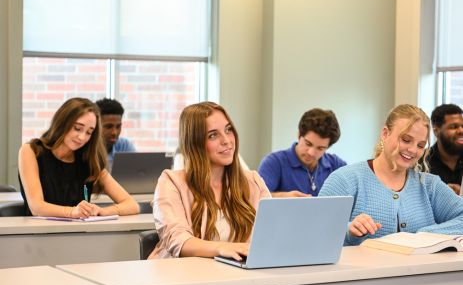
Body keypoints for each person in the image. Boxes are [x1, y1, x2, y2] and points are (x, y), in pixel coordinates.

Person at [319, 104, 463, 246]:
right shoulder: (344, 180)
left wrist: (423, 236)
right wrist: (348, 230)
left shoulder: (429, 185)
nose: (413, 150)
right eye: (406, 140)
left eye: (420, 145)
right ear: (385, 133)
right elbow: (317, 230)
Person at [149, 102, 270, 260]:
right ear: (195, 143)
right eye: (213, 135)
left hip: (237, 277)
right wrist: (224, 249)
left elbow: (270, 234)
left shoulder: (253, 181)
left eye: (228, 130)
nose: (226, 140)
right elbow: (178, 240)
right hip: (182, 277)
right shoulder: (171, 182)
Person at [18, 97, 140, 217]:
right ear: (62, 122)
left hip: (80, 233)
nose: (82, 137)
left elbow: (132, 205)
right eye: (77, 128)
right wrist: (72, 212)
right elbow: (37, 207)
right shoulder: (32, 151)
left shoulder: (88, 159)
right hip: (37, 233)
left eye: (89, 132)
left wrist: (102, 211)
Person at [258, 108, 346, 197]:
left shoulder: (336, 165)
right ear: (299, 134)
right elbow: (257, 198)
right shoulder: (273, 162)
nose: (311, 153)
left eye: (320, 148)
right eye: (308, 144)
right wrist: (283, 197)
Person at [426, 104, 463, 194]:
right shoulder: (422, 162)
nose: (461, 131)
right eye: (453, 127)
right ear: (436, 131)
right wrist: (440, 195)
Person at [95, 98, 136, 170]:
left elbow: (136, 172)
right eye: (108, 126)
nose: (114, 132)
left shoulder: (124, 145)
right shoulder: (88, 149)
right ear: (95, 126)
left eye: (118, 126)